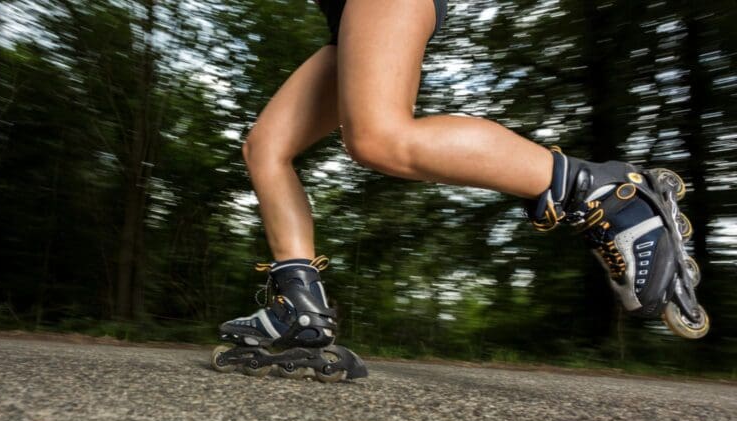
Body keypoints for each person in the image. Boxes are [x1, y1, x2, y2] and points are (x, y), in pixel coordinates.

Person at [210, 0, 709, 382]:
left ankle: (605, 193)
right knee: (266, 147)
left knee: (380, 138)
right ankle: (299, 303)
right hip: (344, 15)